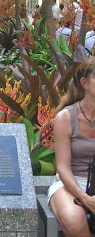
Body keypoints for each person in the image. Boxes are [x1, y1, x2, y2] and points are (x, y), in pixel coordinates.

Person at [48, 57, 95, 237]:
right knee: (75, 221)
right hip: (70, 183)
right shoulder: (66, 118)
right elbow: (63, 167)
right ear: (84, 83)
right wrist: (85, 199)